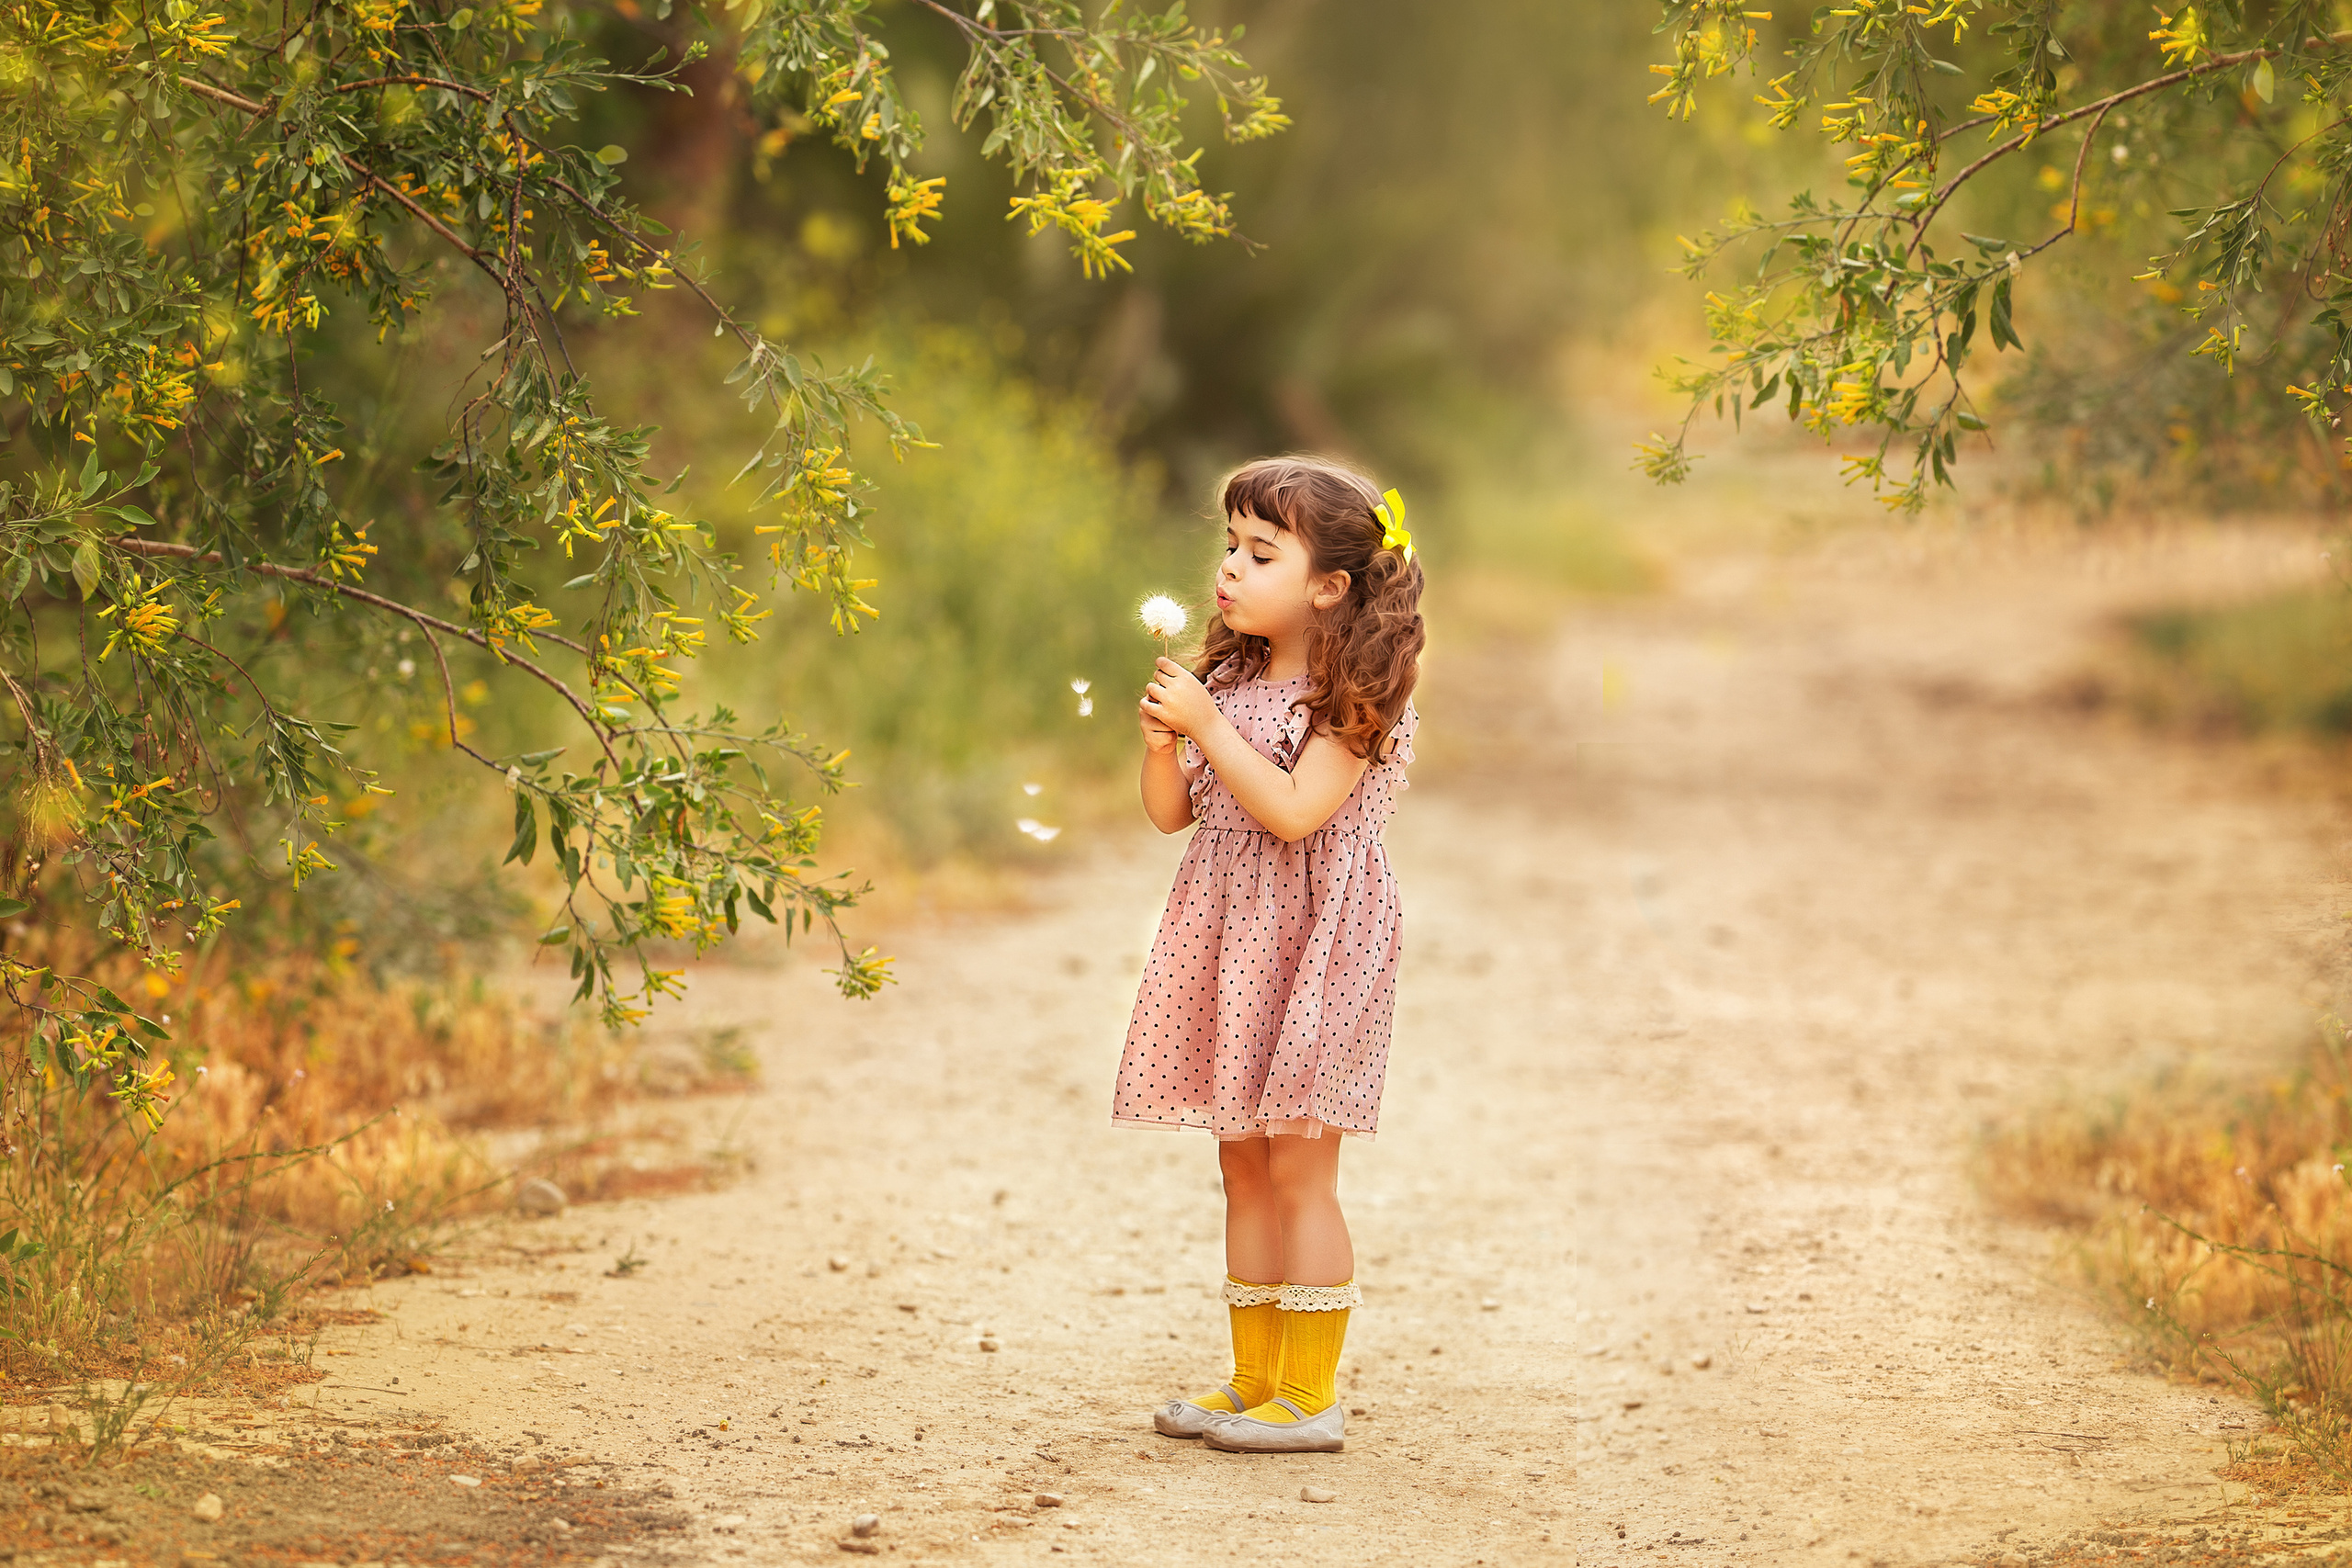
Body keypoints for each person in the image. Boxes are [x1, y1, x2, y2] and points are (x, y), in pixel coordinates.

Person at [1112, 454, 1425, 1455]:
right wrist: (1166, 743)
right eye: (1228, 548)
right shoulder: (1232, 677)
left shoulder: (1355, 693)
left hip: (1318, 943)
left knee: (1299, 1169)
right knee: (1240, 1165)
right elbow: (1171, 819)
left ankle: (1312, 1394)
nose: (1229, 570)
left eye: (1259, 552)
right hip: (1226, 936)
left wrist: (1206, 724)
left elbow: (1295, 813)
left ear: (1329, 585)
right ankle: (1252, 1381)